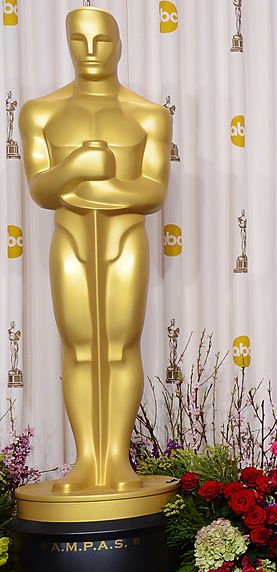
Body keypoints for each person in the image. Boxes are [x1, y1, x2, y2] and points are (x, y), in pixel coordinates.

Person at [19, 6, 170, 494]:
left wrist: (86, 190)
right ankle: (87, 459)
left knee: (122, 344)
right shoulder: (40, 112)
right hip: (71, 240)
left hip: (125, 240)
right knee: (80, 347)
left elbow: (152, 192)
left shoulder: (147, 114)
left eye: (101, 40)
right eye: (78, 40)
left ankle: (116, 459)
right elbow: (42, 191)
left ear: (119, 43)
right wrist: (81, 165)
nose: (89, 51)